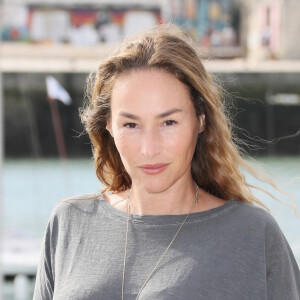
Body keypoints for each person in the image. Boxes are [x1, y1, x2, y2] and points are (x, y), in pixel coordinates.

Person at [33, 25, 300, 300]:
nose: (149, 149)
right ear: (109, 126)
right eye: (131, 124)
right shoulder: (68, 223)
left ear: (201, 120)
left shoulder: (253, 235)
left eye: (169, 122)